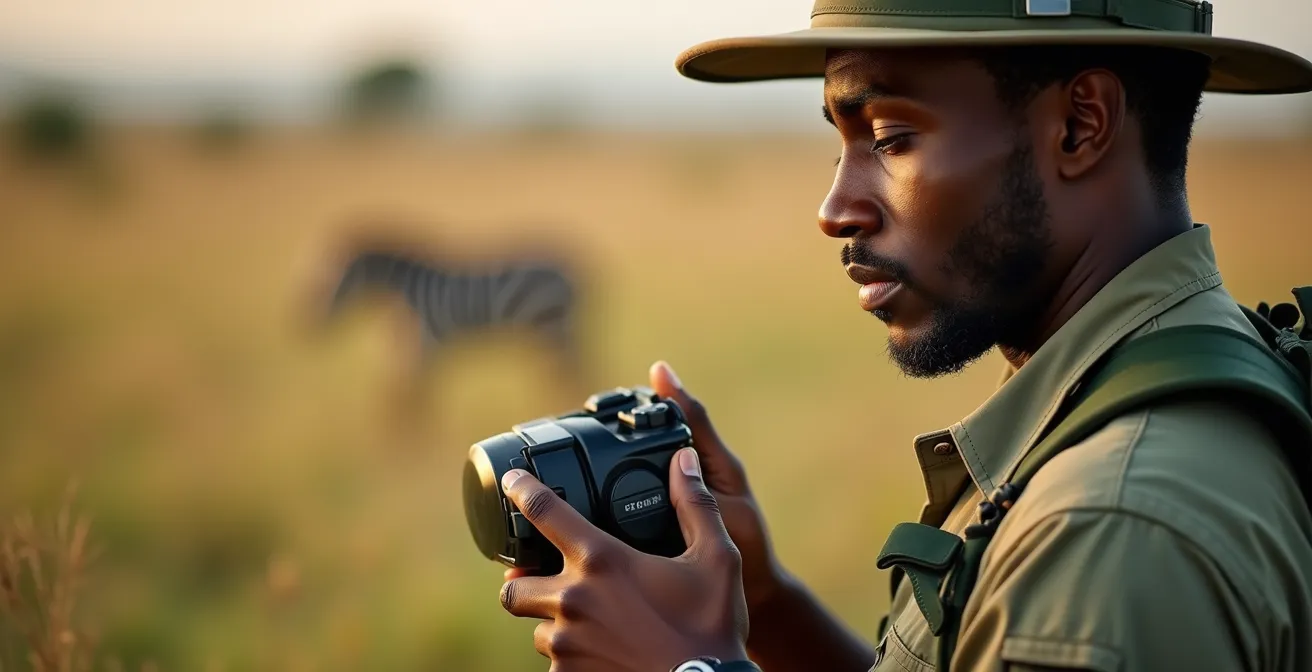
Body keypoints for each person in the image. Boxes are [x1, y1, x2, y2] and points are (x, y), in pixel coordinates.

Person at [492, 1, 1312, 670]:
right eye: (842, 140)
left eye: (888, 138)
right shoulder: (1169, 374)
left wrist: (690, 670)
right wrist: (765, 607)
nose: (835, 208)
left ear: (1080, 125)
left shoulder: (1109, 535)